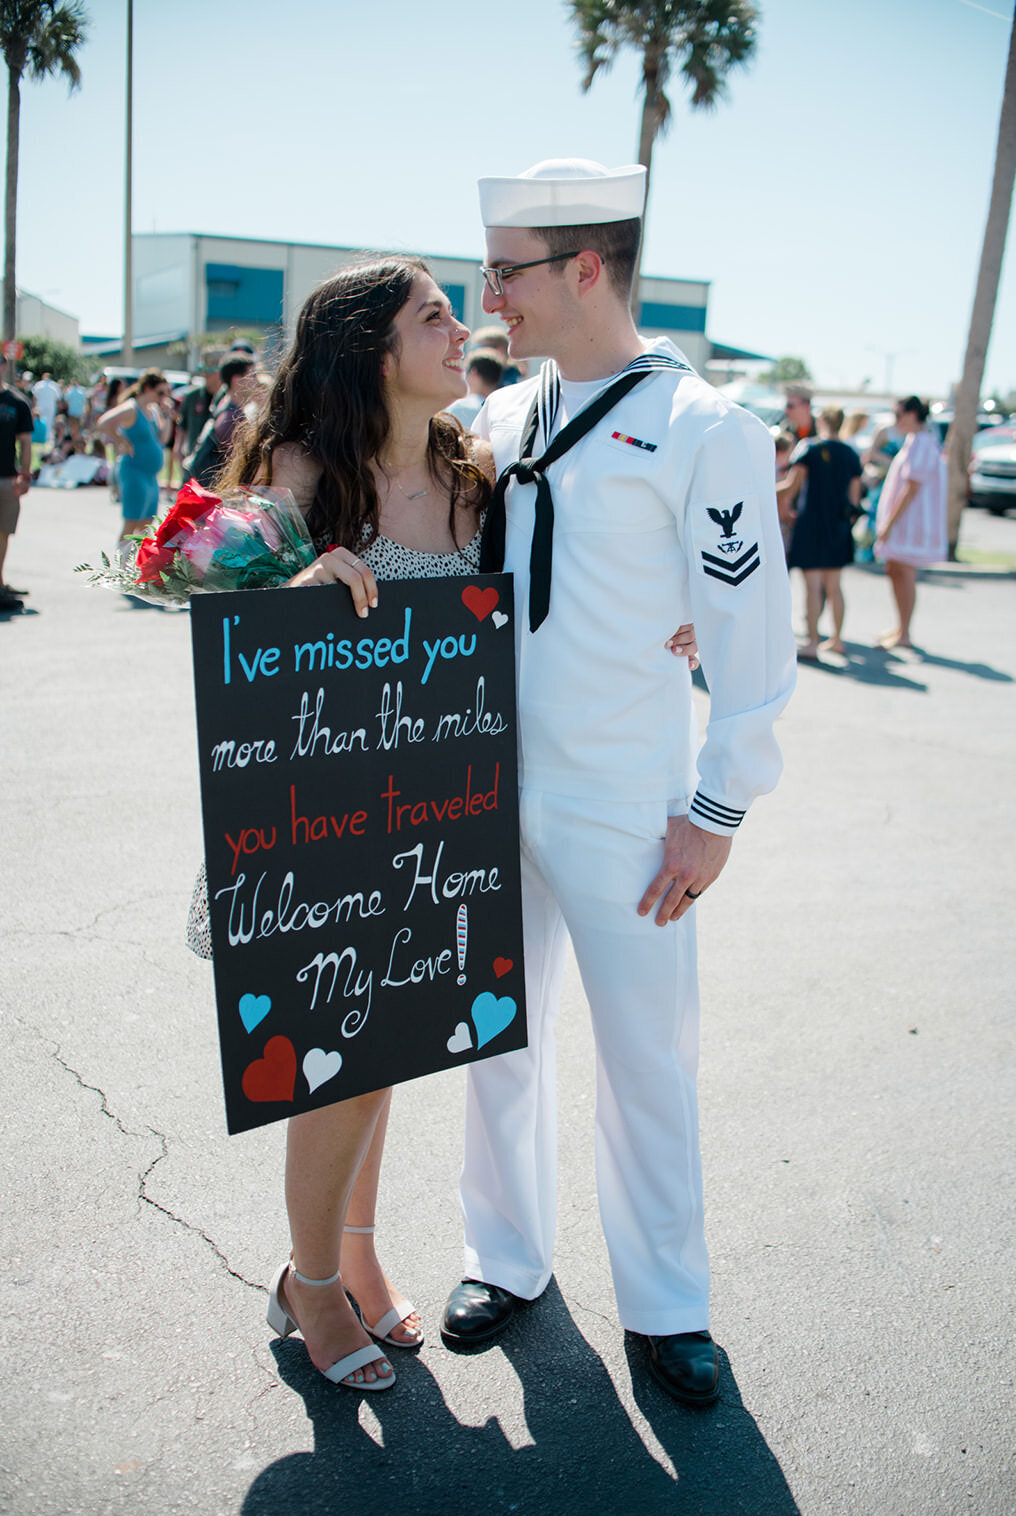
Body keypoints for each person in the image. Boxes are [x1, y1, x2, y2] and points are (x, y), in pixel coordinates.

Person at [215, 256, 698, 1393]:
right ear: (373, 351)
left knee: (381, 1053)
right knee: (338, 1064)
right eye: (431, 317)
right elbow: (209, 612)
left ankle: (354, 1261)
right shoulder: (299, 468)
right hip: (319, 814)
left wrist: (673, 609)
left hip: (433, 810)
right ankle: (311, 1284)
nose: (460, 327)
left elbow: (564, 575)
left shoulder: (470, 467)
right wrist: (284, 591)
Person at [438, 158, 796, 1406]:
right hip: (484, 787)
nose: (489, 295)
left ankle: (665, 1303)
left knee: (648, 1054)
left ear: (584, 267)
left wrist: (716, 809)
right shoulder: (496, 419)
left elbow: (750, 639)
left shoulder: (706, 426)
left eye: (506, 269)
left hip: (624, 800)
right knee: (498, 1040)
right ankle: (504, 1255)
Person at [777, 405, 861, 658]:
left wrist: (761, 493)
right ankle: (837, 639)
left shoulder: (808, 448)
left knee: (812, 587)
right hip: (838, 526)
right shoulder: (850, 453)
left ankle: (812, 641)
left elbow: (792, 486)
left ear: (822, 420)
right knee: (835, 587)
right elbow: (854, 500)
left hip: (811, 524)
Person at [874, 396, 947, 648]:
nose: (896, 421)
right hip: (904, 521)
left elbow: (911, 488)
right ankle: (900, 628)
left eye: (898, 415)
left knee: (904, 573)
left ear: (913, 414)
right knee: (895, 571)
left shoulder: (923, 443)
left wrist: (890, 523)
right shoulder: (914, 441)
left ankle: (904, 633)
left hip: (909, 523)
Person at [96, 369, 170, 544]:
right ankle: (120, 565)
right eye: (160, 392)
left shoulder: (153, 410)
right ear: (147, 389)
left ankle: (136, 566)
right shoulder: (131, 408)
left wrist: (166, 416)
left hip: (151, 477)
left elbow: (163, 439)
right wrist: (122, 440)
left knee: (147, 524)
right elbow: (103, 423)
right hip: (134, 472)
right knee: (131, 523)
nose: (163, 397)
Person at [184, 354, 262, 487]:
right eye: (252, 376)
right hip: (212, 496)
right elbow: (242, 466)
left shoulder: (227, 407)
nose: (257, 382)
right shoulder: (230, 417)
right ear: (237, 380)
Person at [0, 357, 34, 611]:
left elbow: (25, 442)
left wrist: (25, 473)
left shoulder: (16, 402)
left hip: (6, 477)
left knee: (3, 532)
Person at [176, 362, 222, 473]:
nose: (205, 375)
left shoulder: (227, 399)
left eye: (210, 372)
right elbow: (181, 429)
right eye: (204, 371)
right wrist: (179, 453)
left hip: (218, 467)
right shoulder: (192, 397)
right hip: (194, 464)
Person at [447, 350, 505, 426]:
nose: (464, 377)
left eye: (466, 371)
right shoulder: (504, 410)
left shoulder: (459, 408)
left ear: (474, 373)